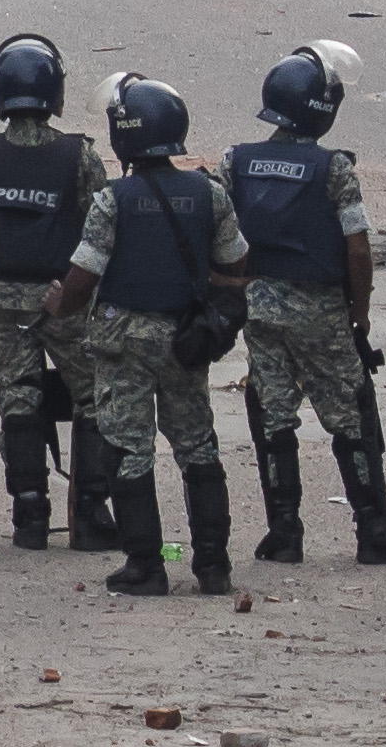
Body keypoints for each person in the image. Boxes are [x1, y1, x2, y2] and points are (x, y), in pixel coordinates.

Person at [46, 73, 250, 598]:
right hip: (186, 343)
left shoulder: (113, 200)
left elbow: (83, 276)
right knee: (198, 449)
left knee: (127, 451)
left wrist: (57, 304)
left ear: (124, 136)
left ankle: (147, 565)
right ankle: (212, 567)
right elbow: (234, 268)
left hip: (123, 346)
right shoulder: (210, 194)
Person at [218, 51, 386, 570]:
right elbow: (357, 246)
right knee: (352, 413)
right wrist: (361, 309)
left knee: (272, 413)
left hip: (258, 306)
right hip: (321, 310)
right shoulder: (335, 168)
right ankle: (372, 527)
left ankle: (283, 531)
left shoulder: (235, 160)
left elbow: (222, 237)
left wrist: (233, 288)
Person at [0, 37, 108, 549]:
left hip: (5, 291)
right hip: (66, 292)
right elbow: (98, 231)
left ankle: (28, 514)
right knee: (92, 396)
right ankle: (90, 513)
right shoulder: (80, 155)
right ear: (56, 94)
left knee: (18, 397)